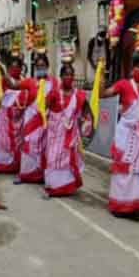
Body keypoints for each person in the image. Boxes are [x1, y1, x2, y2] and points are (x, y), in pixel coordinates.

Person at [101, 52, 139, 219]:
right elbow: (103, 94)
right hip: (126, 136)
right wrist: (101, 74)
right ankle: (119, 205)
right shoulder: (124, 85)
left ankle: (134, 206)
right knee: (123, 171)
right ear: (132, 68)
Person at [44, 61, 93, 197]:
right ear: (61, 76)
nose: (69, 77)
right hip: (55, 134)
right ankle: (54, 187)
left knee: (67, 160)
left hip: (70, 134)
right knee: (53, 159)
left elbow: (86, 111)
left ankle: (66, 187)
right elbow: (43, 108)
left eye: (71, 74)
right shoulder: (54, 93)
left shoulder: (79, 94)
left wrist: (86, 125)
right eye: (66, 74)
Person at [16, 52, 59, 184]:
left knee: (44, 148)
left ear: (48, 66)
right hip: (31, 119)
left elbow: (58, 98)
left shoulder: (54, 82)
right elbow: (14, 84)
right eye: (38, 66)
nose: (41, 69)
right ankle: (26, 175)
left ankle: (42, 175)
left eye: (43, 66)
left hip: (46, 120)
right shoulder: (30, 82)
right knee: (29, 145)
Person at [0, 55, 25, 173]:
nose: (15, 69)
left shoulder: (23, 79)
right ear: (8, 68)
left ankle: (16, 165)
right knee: (4, 141)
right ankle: (4, 165)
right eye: (12, 67)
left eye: (18, 67)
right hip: (6, 116)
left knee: (19, 142)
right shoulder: (3, 80)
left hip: (19, 116)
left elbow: (19, 89)